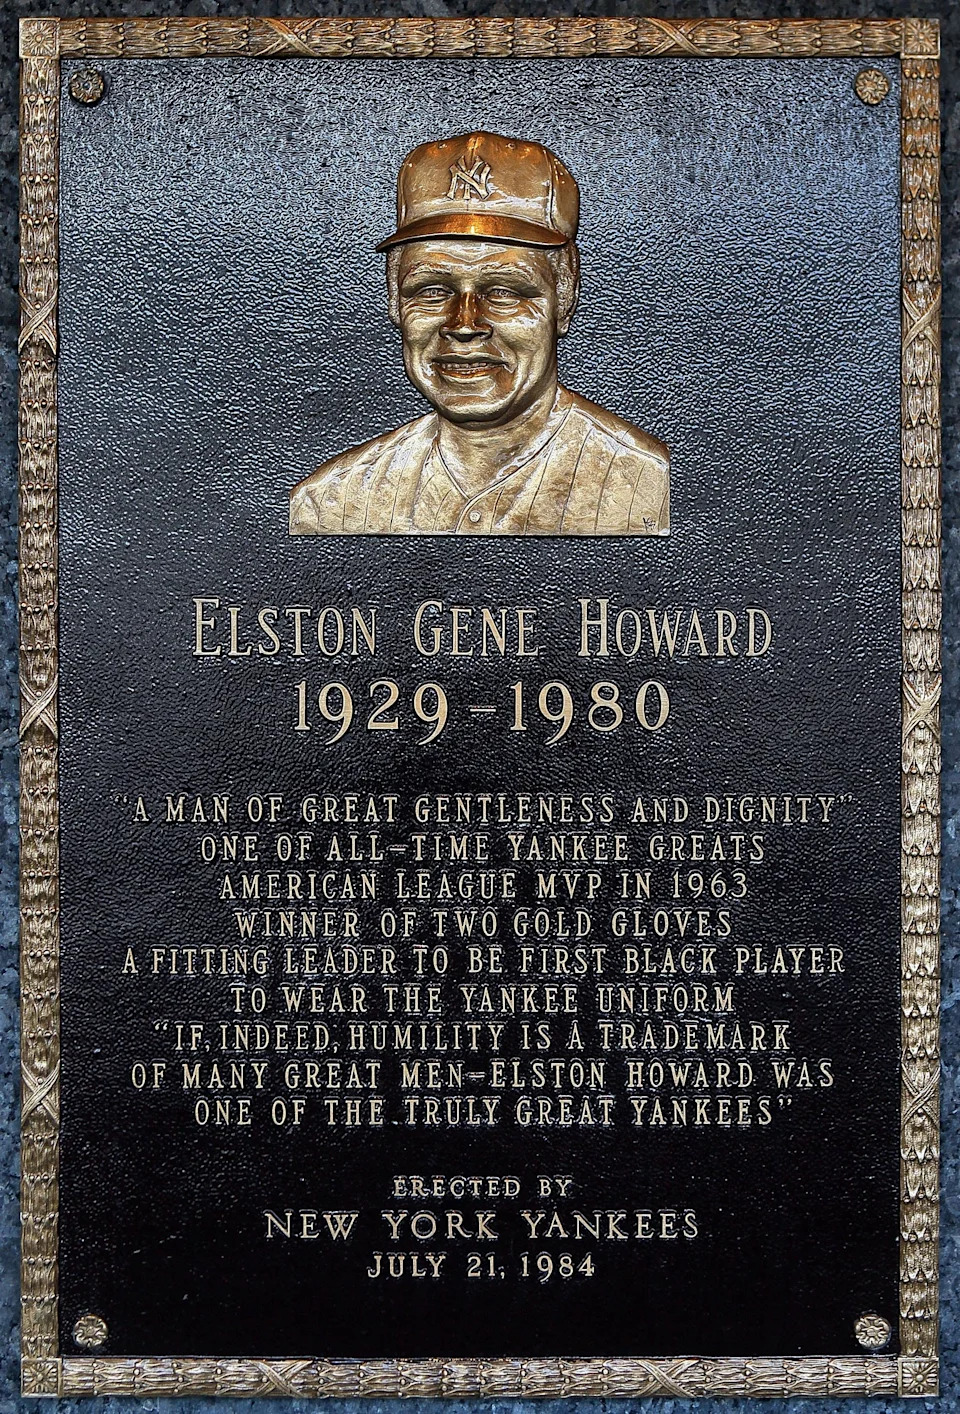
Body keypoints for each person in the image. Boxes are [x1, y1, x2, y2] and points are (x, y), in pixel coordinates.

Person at [290, 131, 669, 537]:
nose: (465, 324)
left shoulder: (646, 483)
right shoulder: (332, 500)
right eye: (432, 290)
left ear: (564, 296)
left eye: (503, 292)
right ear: (395, 301)